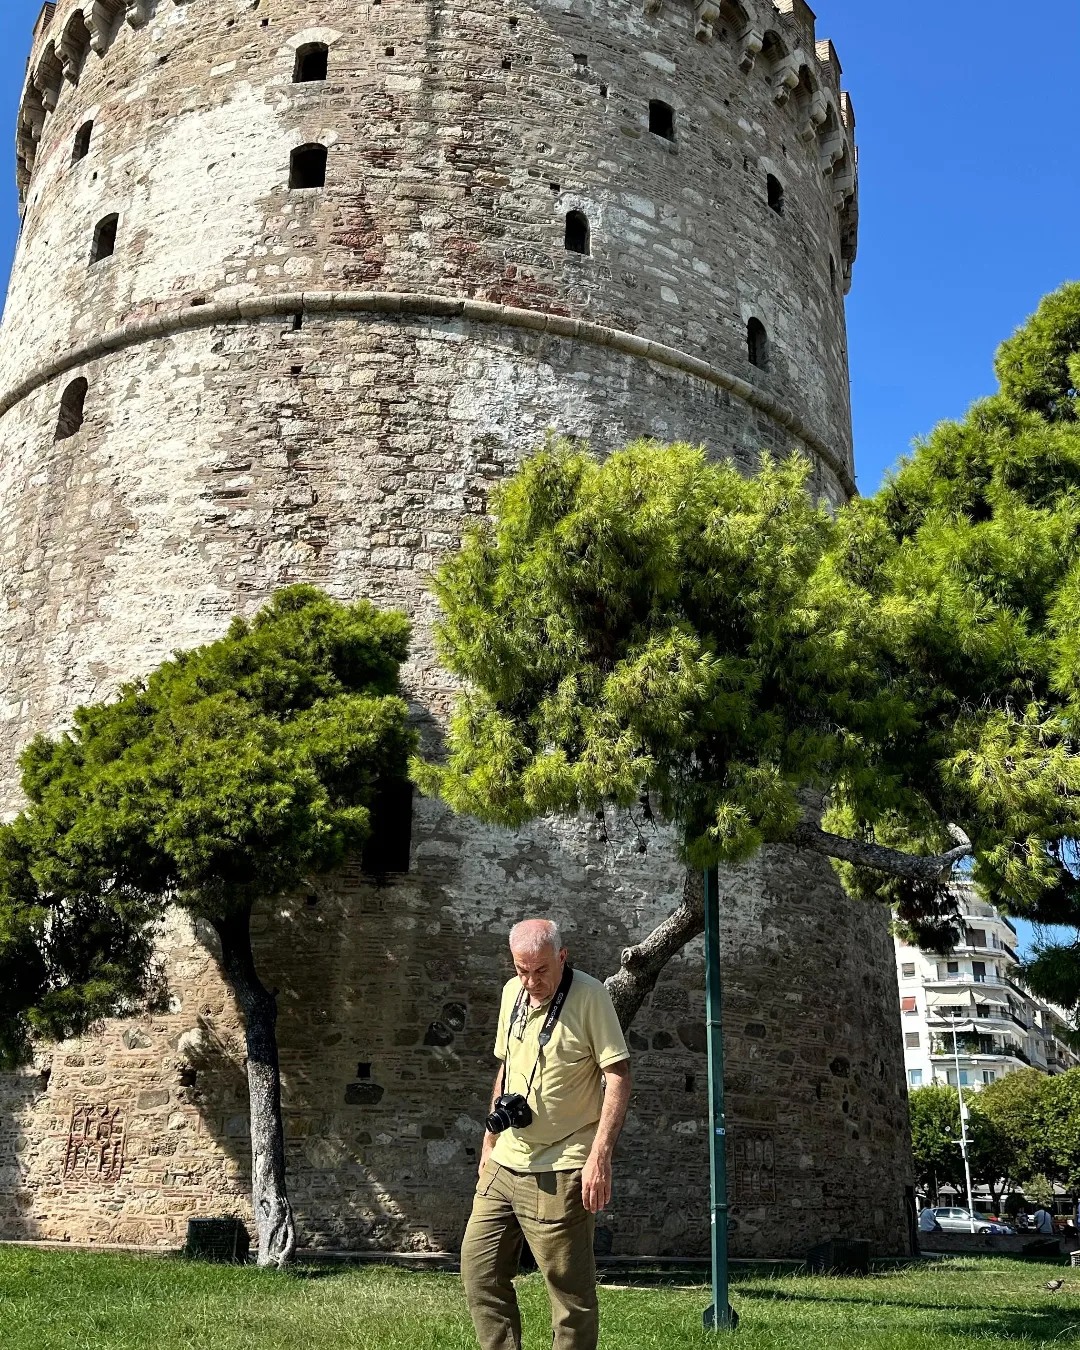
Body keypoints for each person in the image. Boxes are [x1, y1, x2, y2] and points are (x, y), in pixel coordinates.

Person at [460, 918, 632, 1350]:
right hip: (506, 1160)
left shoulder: (591, 996)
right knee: (478, 1272)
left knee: (569, 1296)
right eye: (522, 970)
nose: (531, 981)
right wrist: (489, 1140)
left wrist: (599, 1157)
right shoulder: (509, 993)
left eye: (540, 971)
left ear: (562, 957)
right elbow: (505, 1067)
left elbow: (618, 1075)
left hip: (563, 1162)